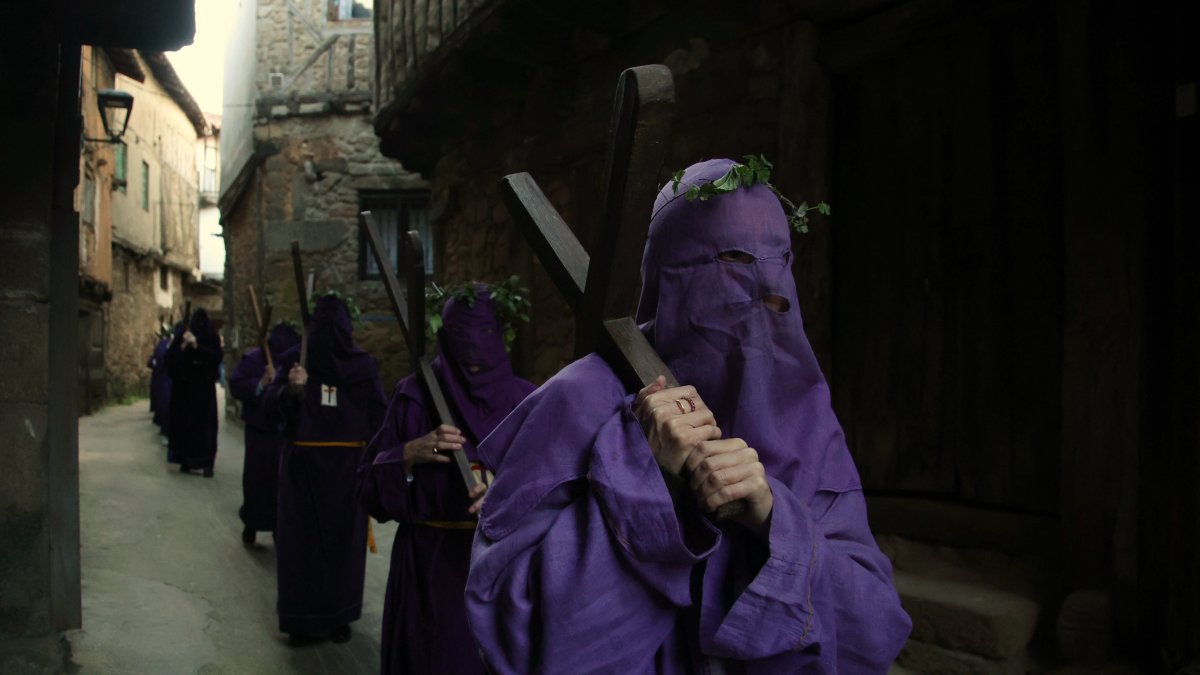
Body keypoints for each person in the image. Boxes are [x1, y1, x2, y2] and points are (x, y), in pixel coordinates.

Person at [465, 159, 911, 672]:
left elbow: (873, 629)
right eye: (730, 265)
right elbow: (507, 628)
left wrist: (772, 518)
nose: (757, 299)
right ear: (667, 276)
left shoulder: (804, 414)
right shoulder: (579, 398)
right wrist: (643, 477)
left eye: (776, 273)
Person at [358, 286, 535, 674]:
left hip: (501, 575)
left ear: (502, 334)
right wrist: (407, 453)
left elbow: (560, 490)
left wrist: (508, 497)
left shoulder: (528, 403)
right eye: (461, 340)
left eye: (485, 336)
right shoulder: (414, 397)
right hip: (425, 567)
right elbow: (366, 487)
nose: (473, 355)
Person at [264, 293, 386, 645]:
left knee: (341, 548)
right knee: (301, 547)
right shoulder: (295, 362)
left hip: (347, 473)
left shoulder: (361, 367)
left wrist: (376, 464)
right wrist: (292, 390)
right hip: (304, 474)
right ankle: (301, 619)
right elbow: (269, 409)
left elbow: (379, 418)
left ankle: (338, 615)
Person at [229, 322, 301, 545]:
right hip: (260, 432)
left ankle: (281, 528)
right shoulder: (253, 359)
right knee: (257, 481)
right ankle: (252, 523)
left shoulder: (296, 361)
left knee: (283, 485)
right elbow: (236, 384)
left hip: (285, 434)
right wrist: (261, 383)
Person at [166, 309, 222, 477]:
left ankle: (206, 463)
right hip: (184, 390)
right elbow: (170, 360)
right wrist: (183, 345)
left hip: (204, 392)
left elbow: (215, 357)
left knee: (205, 430)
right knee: (185, 427)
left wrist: (197, 346)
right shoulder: (182, 336)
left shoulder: (211, 340)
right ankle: (185, 460)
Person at [147, 330, 173, 444]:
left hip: (166, 378)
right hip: (164, 378)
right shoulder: (164, 345)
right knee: (165, 404)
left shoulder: (165, 345)